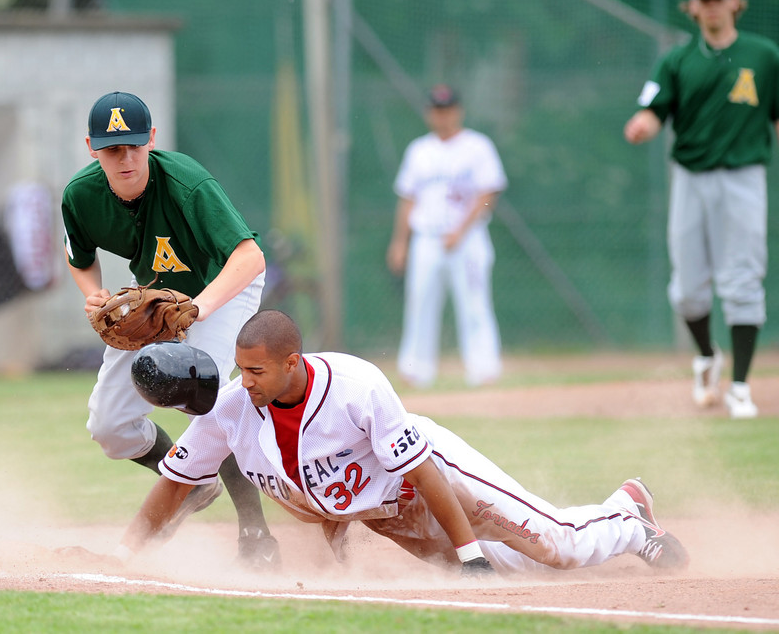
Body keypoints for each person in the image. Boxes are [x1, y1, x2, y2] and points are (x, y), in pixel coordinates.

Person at [112, 310, 689, 577]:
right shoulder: (235, 409)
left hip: (434, 474)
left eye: (257, 370)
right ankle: (595, 530)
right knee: (516, 570)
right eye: (241, 369)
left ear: (294, 362)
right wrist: (124, 556)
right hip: (387, 511)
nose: (246, 381)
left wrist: (467, 554)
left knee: (553, 547)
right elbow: (175, 486)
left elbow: (426, 471)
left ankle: (629, 518)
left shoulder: (356, 387)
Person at [60, 91, 279, 568]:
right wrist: (92, 293)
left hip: (220, 290)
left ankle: (256, 532)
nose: (126, 158)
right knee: (109, 426)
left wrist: (199, 310)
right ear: (92, 149)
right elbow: (79, 258)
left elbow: (250, 257)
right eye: (113, 149)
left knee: (209, 399)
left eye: (135, 145)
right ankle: (196, 482)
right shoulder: (81, 195)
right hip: (156, 301)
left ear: (152, 140)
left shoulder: (187, 184)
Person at [624, 0, 779, 419]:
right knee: (689, 289)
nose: (711, 5)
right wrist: (643, 125)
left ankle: (741, 386)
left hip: (744, 177)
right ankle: (708, 355)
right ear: (692, 7)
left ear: (735, 3)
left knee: (743, 279)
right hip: (690, 177)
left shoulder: (764, 56)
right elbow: (652, 111)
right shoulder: (676, 61)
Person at [386, 84, 506, 389]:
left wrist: (461, 230)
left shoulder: (477, 146)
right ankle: (416, 370)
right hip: (426, 237)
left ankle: (483, 368)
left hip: (468, 239)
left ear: (458, 111)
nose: (442, 115)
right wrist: (400, 242)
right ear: (429, 113)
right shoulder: (419, 150)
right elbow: (407, 198)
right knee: (420, 302)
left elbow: (488, 193)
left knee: (474, 304)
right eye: (436, 110)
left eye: (447, 109)